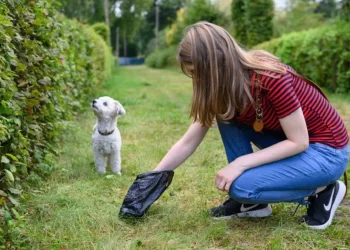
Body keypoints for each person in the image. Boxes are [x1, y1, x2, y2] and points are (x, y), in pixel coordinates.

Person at [153, 21, 349, 230]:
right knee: (226, 113)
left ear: (216, 66)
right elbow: (189, 139)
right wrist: (153, 177)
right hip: (293, 142)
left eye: (198, 74)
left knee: (240, 186)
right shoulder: (226, 88)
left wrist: (240, 164)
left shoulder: (272, 78)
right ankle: (253, 204)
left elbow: (299, 142)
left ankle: (323, 191)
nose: (197, 81)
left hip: (327, 152)